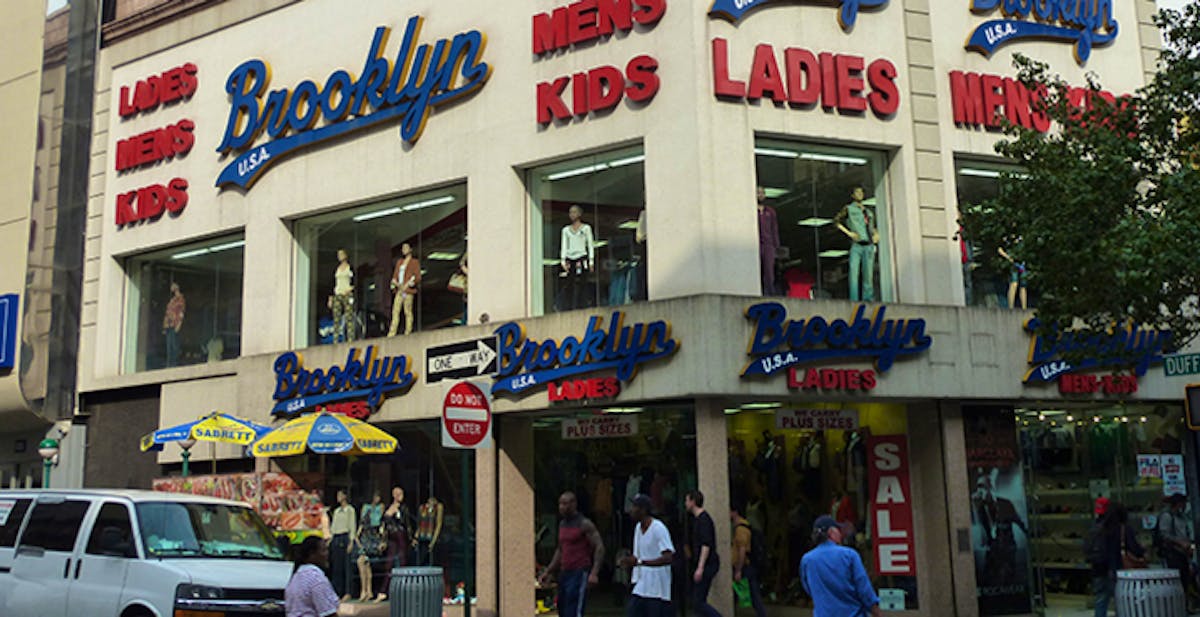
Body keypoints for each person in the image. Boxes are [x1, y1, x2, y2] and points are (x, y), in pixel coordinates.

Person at [538, 492, 605, 617]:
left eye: (565, 504)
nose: (561, 507)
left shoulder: (584, 524)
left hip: (579, 572)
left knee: (574, 610)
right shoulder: (562, 524)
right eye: (560, 504)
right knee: (562, 607)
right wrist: (548, 571)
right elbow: (560, 549)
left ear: (573, 504)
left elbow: (599, 547)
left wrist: (594, 573)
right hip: (565, 572)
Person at [800, 515, 881, 617]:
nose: (840, 534)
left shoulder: (807, 560)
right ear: (831, 532)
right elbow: (864, 589)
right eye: (838, 530)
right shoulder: (849, 555)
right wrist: (876, 612)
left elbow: (809, 588)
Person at [619, 494, 674, 617]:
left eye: (634, 507)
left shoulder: (658, 528)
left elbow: (668, 557)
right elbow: (637, 556)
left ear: (643, 510)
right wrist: (628, 561)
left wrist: (641, 562)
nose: (631, 510)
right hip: (641, 585)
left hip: (657, 588)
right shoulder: (638, 528)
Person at [1090, 502, 1145, 617]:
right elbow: (1134, 548)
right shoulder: (1123, 529)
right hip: (1117, 570)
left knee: (1101, 600)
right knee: (1121, 602)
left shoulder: (1098, 527)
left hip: (1099, 569)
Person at [834, 187, 879, 302]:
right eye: (857, 192)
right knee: (854, 273)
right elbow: (836, 221)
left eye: (861, 192)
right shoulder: (849, 209)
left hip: (868, 244)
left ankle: (868, 298)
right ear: (852, 195)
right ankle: (854, 298)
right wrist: (849, 233)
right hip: (857, 244)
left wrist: (876, 234)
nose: (860, 194)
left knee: (868, 274)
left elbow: (871, 226)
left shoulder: (868, 211)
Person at [685, 490, 720, 617]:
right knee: (699, 600)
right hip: (705, 564)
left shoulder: (703, 520)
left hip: (707, 564)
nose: (685, 503)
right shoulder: (697, 520)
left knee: (698, 602)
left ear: (693, 502)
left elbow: (706, 545)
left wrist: (700, 567)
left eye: (687, 500)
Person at [285, 536, 340, 617]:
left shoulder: (297, 575)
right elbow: (328, 613)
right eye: (324, 550)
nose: (327, 554)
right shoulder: (316, 578)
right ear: (312, 554)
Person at [1157, 494, 1195, 607]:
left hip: (1183, 552)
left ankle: (1185, 604)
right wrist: (1180, 543)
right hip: (1173, 552)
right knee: (1178, 579)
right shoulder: (1167, 516)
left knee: (1185, 578)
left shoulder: (1181, 516)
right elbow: (1164, 535)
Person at [731, 503, 766, 617]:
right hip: (744, 566)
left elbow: (742, 550)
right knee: (751, 594)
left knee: (753, 595)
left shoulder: (741, 529)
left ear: (735, 512)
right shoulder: (740, 527)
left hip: (745, 566)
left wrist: (738, 570)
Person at [328, 490, 356, 601]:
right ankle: (337, 592)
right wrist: (330, 540)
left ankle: (348, 592)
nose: (338, 497)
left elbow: (352, 526)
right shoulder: (336, 511)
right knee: (337, 567)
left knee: (346, 567)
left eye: (340, 495)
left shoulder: (350, 510)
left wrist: (351, 541)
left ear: (345, 496)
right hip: (336, 537)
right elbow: (333, 527)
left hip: (345, 537)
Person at [162, 282, 185, 366]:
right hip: (169, 325)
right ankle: (169, 363)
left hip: (175, 325)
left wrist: (179, 324)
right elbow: (167, 313)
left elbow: (181, 312)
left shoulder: (180, 299)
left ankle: (174, 363)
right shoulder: (172, 300)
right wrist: (164, 326)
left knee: (174, 345)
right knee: (169, 345)